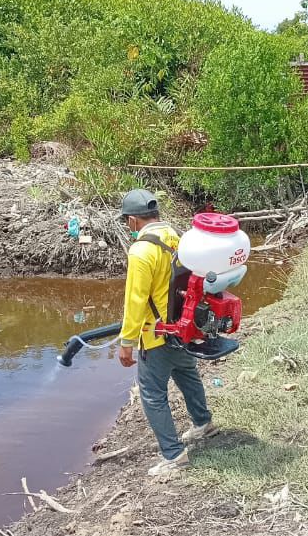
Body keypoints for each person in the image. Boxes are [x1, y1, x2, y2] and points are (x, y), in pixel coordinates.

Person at [117, 189, 218, 476]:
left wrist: (126, 343)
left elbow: (135, 301)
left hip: (156, 333)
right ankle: (203, 424)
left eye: (127, 222)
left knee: (151, 394)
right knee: (187, 374)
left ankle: (173, 455)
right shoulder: (176, 236)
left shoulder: (140, 251)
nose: (128, 226)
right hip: (183, 326)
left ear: (134, 221)